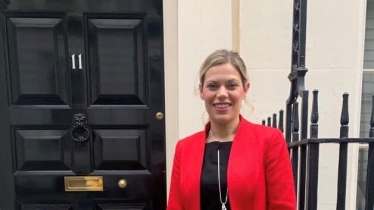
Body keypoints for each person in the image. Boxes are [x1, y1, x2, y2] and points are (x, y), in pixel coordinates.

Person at [167, 49, 296, 210]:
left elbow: (283, 206)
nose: (222, 93)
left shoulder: (269, 141)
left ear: (245, 89)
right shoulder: (184, 148)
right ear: (201, 91)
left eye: (231, 85)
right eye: (213, 86)